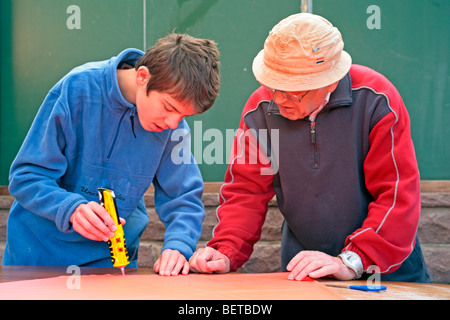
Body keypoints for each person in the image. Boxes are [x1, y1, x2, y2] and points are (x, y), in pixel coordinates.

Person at [189, 13, 430, 282]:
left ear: (330, 80)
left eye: (293, 90)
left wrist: (353, 260)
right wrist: (225, 250)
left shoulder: (376, 100)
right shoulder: (259, 110)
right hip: (305, 271)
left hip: (385, 270)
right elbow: (246, 190)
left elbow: (396, 193)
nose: (278, 100)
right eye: (272, 86)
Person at [3, 33, 221, 277]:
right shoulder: (76, 89)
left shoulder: (174, 128)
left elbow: (183, 197)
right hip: (36, 260)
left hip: (111, 269)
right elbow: (26, 177)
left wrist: (179, 245)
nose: (173, 123)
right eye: (169, 108)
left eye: (184, 116)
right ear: (142, 77)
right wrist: (71, 208)